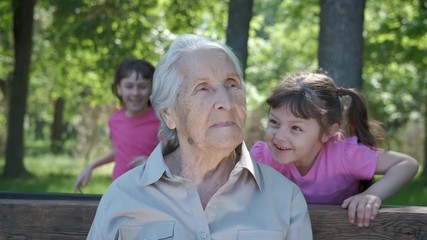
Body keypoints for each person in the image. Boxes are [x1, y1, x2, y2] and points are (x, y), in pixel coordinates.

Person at [87, 34, 312, 239]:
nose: (225, 101)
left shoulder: (284, 199)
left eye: (232, 84)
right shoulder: (124, 196)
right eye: (202, 88)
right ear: (169, 114)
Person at [250, 72, 419, 227]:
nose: (279, 136)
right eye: (274, 122)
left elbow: (407, 164)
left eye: (296, 128)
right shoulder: (263, 158)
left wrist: (371, 195)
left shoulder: (344, 156)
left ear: (328, 132)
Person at [74, 59, 160, 193]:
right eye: (129, 86)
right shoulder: (115, 120)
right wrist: (91, 166)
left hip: (152, 192)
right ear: (119, 88)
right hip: (119, 190)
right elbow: (121, 150)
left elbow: (176, 155)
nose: (135, 92)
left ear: (151, 88)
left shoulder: (162, 120)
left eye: (142, 86)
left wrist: (154, 163)